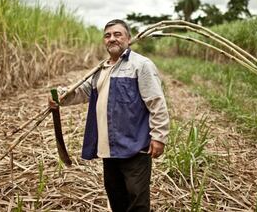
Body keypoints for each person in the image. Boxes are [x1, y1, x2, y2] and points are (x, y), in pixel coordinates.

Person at [49, 19, 169, 212]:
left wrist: (159, 136)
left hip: (135, 146)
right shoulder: (101, 69)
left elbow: (156, 102)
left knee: (137, 198)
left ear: (128, 39)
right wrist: (60, 96)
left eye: (117, 34)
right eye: (108, 35)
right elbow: (83, 91)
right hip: (109, 147)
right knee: (116, 196)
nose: (112, 39)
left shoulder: (141, 65)